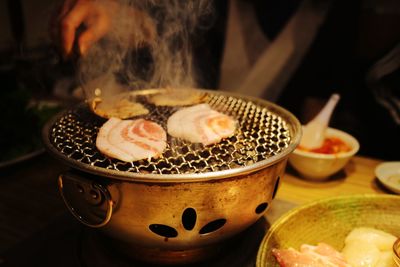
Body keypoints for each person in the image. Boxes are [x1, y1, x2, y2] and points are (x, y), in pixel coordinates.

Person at [52, 0, 400, 160]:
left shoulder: (334, 14)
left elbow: (318, 103)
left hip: (266, 155)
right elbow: (156, 22)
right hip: (186, 127)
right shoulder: (211, 6)